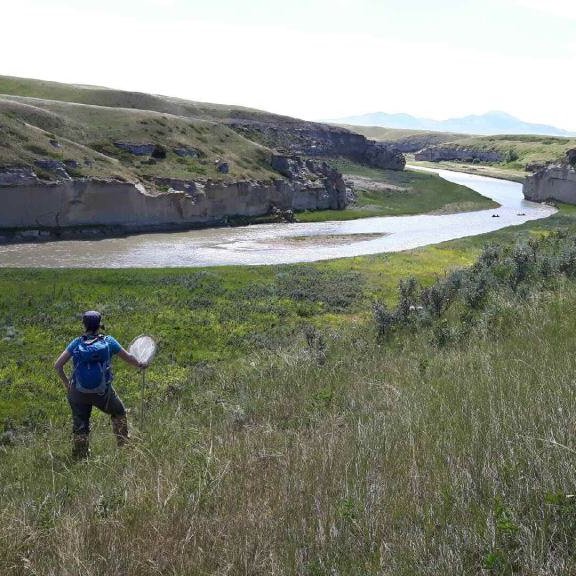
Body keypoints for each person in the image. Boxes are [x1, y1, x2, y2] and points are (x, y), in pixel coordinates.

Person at [54, 310, 147, 459]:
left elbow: (58, 365)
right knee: (119, 412)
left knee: (81, 424)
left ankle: (81, 456)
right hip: (102, 393)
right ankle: (123, 446)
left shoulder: (77, 342)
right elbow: (129, 357)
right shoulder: (108, 341)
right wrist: (140, 364)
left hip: (77, 393)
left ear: (84, 325)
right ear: (99, 325)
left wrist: (67, 384)